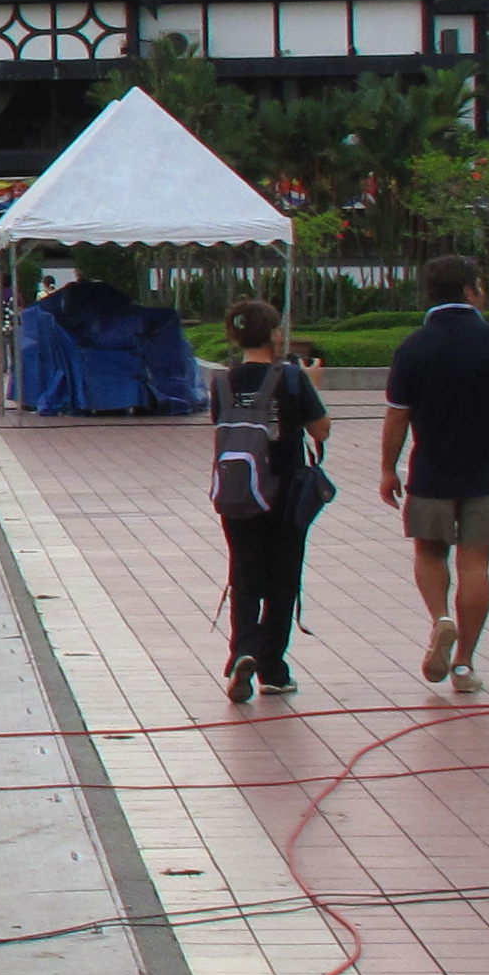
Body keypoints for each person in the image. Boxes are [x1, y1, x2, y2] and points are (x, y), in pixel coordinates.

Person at [381, 252, 489, 696]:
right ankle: (463, 665)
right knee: (476, 562)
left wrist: (388, 468)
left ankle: (440, 619)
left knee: (430, 552)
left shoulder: (413, 347)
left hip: (432, 471)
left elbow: (397, 417)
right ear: (469, 290)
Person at [210, 300, 328, 702]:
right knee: (282, 580)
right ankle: (272, 668)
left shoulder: (223, 383)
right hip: (287, 492)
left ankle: (243, 649)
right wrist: (314, 383)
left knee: (243, 576)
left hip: (238, 490)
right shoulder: (292, 379)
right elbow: (321, 430)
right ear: (275, 334)